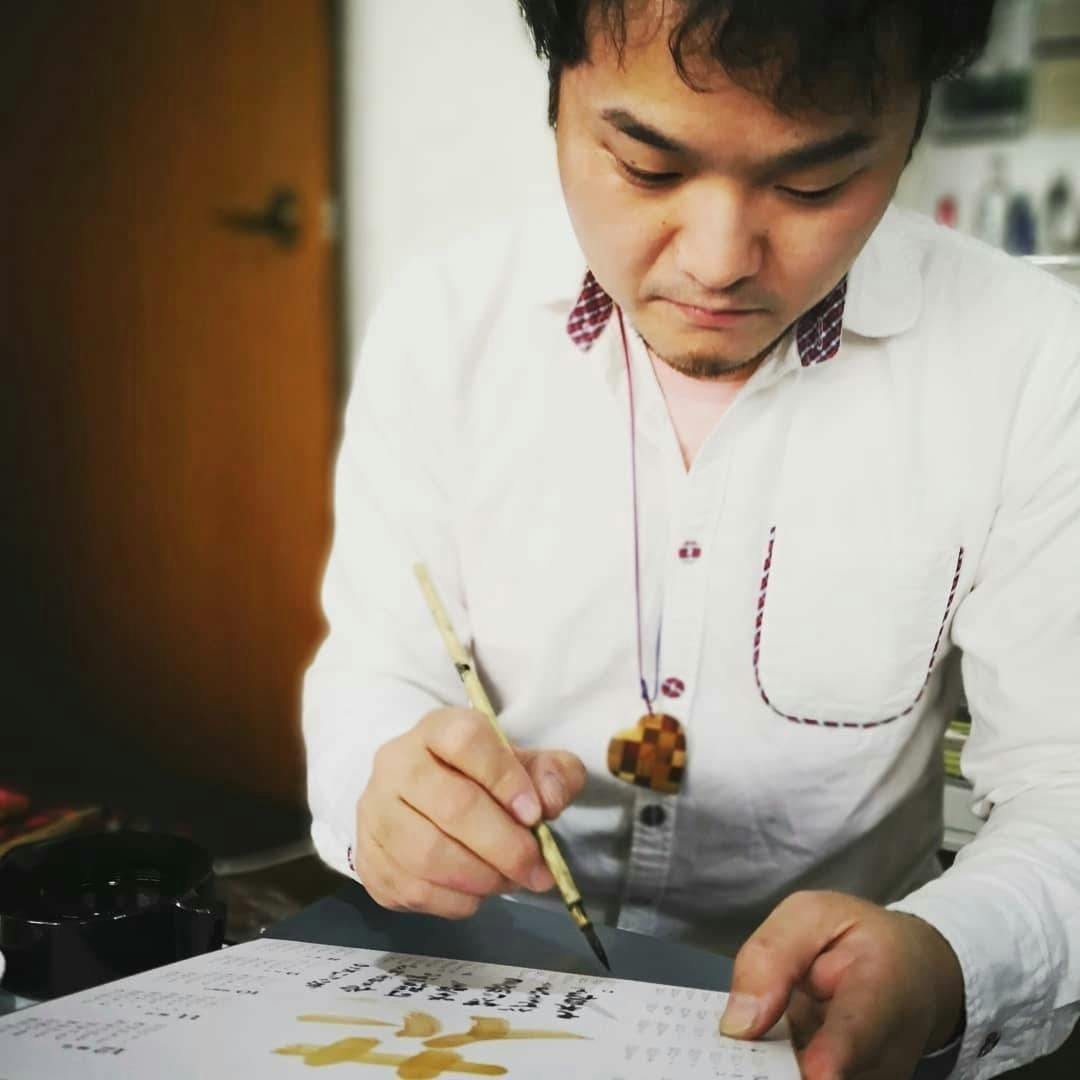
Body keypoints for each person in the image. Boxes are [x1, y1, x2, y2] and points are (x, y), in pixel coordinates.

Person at [303, 2, 1080, 1076]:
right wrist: (380, 790)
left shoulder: (1031, 365)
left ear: (912, 131)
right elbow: (376, 667)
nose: (718, 264)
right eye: (647, 169)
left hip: (814, 1033)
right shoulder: (444, 330)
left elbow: (1064, 781)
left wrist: (948, 955)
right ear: (557, 95)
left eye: (814, 184)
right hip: (486, 1002)